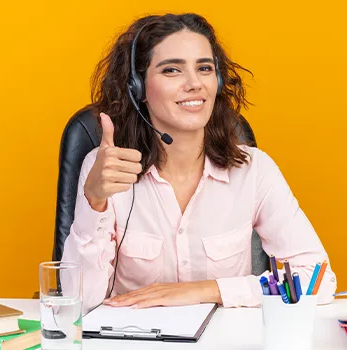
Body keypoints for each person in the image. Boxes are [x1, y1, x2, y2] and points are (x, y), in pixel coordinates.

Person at [61, 13, 337, 314]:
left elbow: (318, 280)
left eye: (204, 68)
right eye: (172, 70)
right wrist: (95, 200)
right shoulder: (106, 170)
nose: (194, 83)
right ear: (137, 88)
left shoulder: (254, 169)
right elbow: (78, 300)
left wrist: (204, 290)